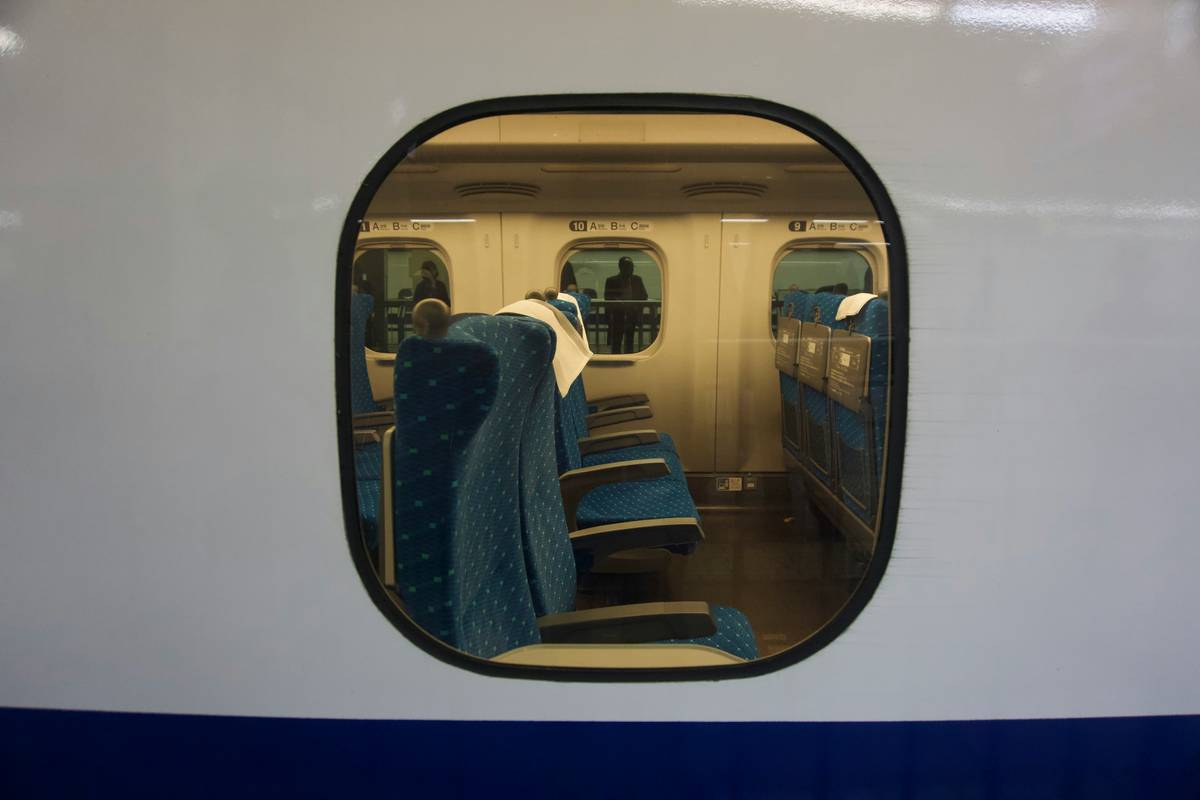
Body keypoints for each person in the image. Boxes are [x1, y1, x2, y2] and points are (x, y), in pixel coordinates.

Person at [603, 256, 647, 354]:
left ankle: (628, 358)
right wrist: (620, 303)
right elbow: (608, 297)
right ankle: (615, 360)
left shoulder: (637, 280)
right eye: (628, 267)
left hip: (632, 314)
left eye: (631, 267)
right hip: (617, 315)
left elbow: (644, 295)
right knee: (616, 341)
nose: (630, 269)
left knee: (629, 340)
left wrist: (635, 306)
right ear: (621, 267)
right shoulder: (611, 280)